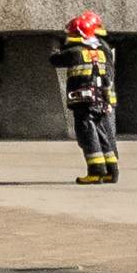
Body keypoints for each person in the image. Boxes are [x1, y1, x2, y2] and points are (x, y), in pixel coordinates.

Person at [54, 11, 119, 183]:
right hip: (100, 100)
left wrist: (60, 44)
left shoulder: (74, 51)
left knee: (87, 135)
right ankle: (111, 171)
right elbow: (108, 78)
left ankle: (95, 172)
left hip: (83, 102)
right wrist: (109, 101)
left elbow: (54, 59)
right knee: (103, 134)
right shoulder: (102, 52)